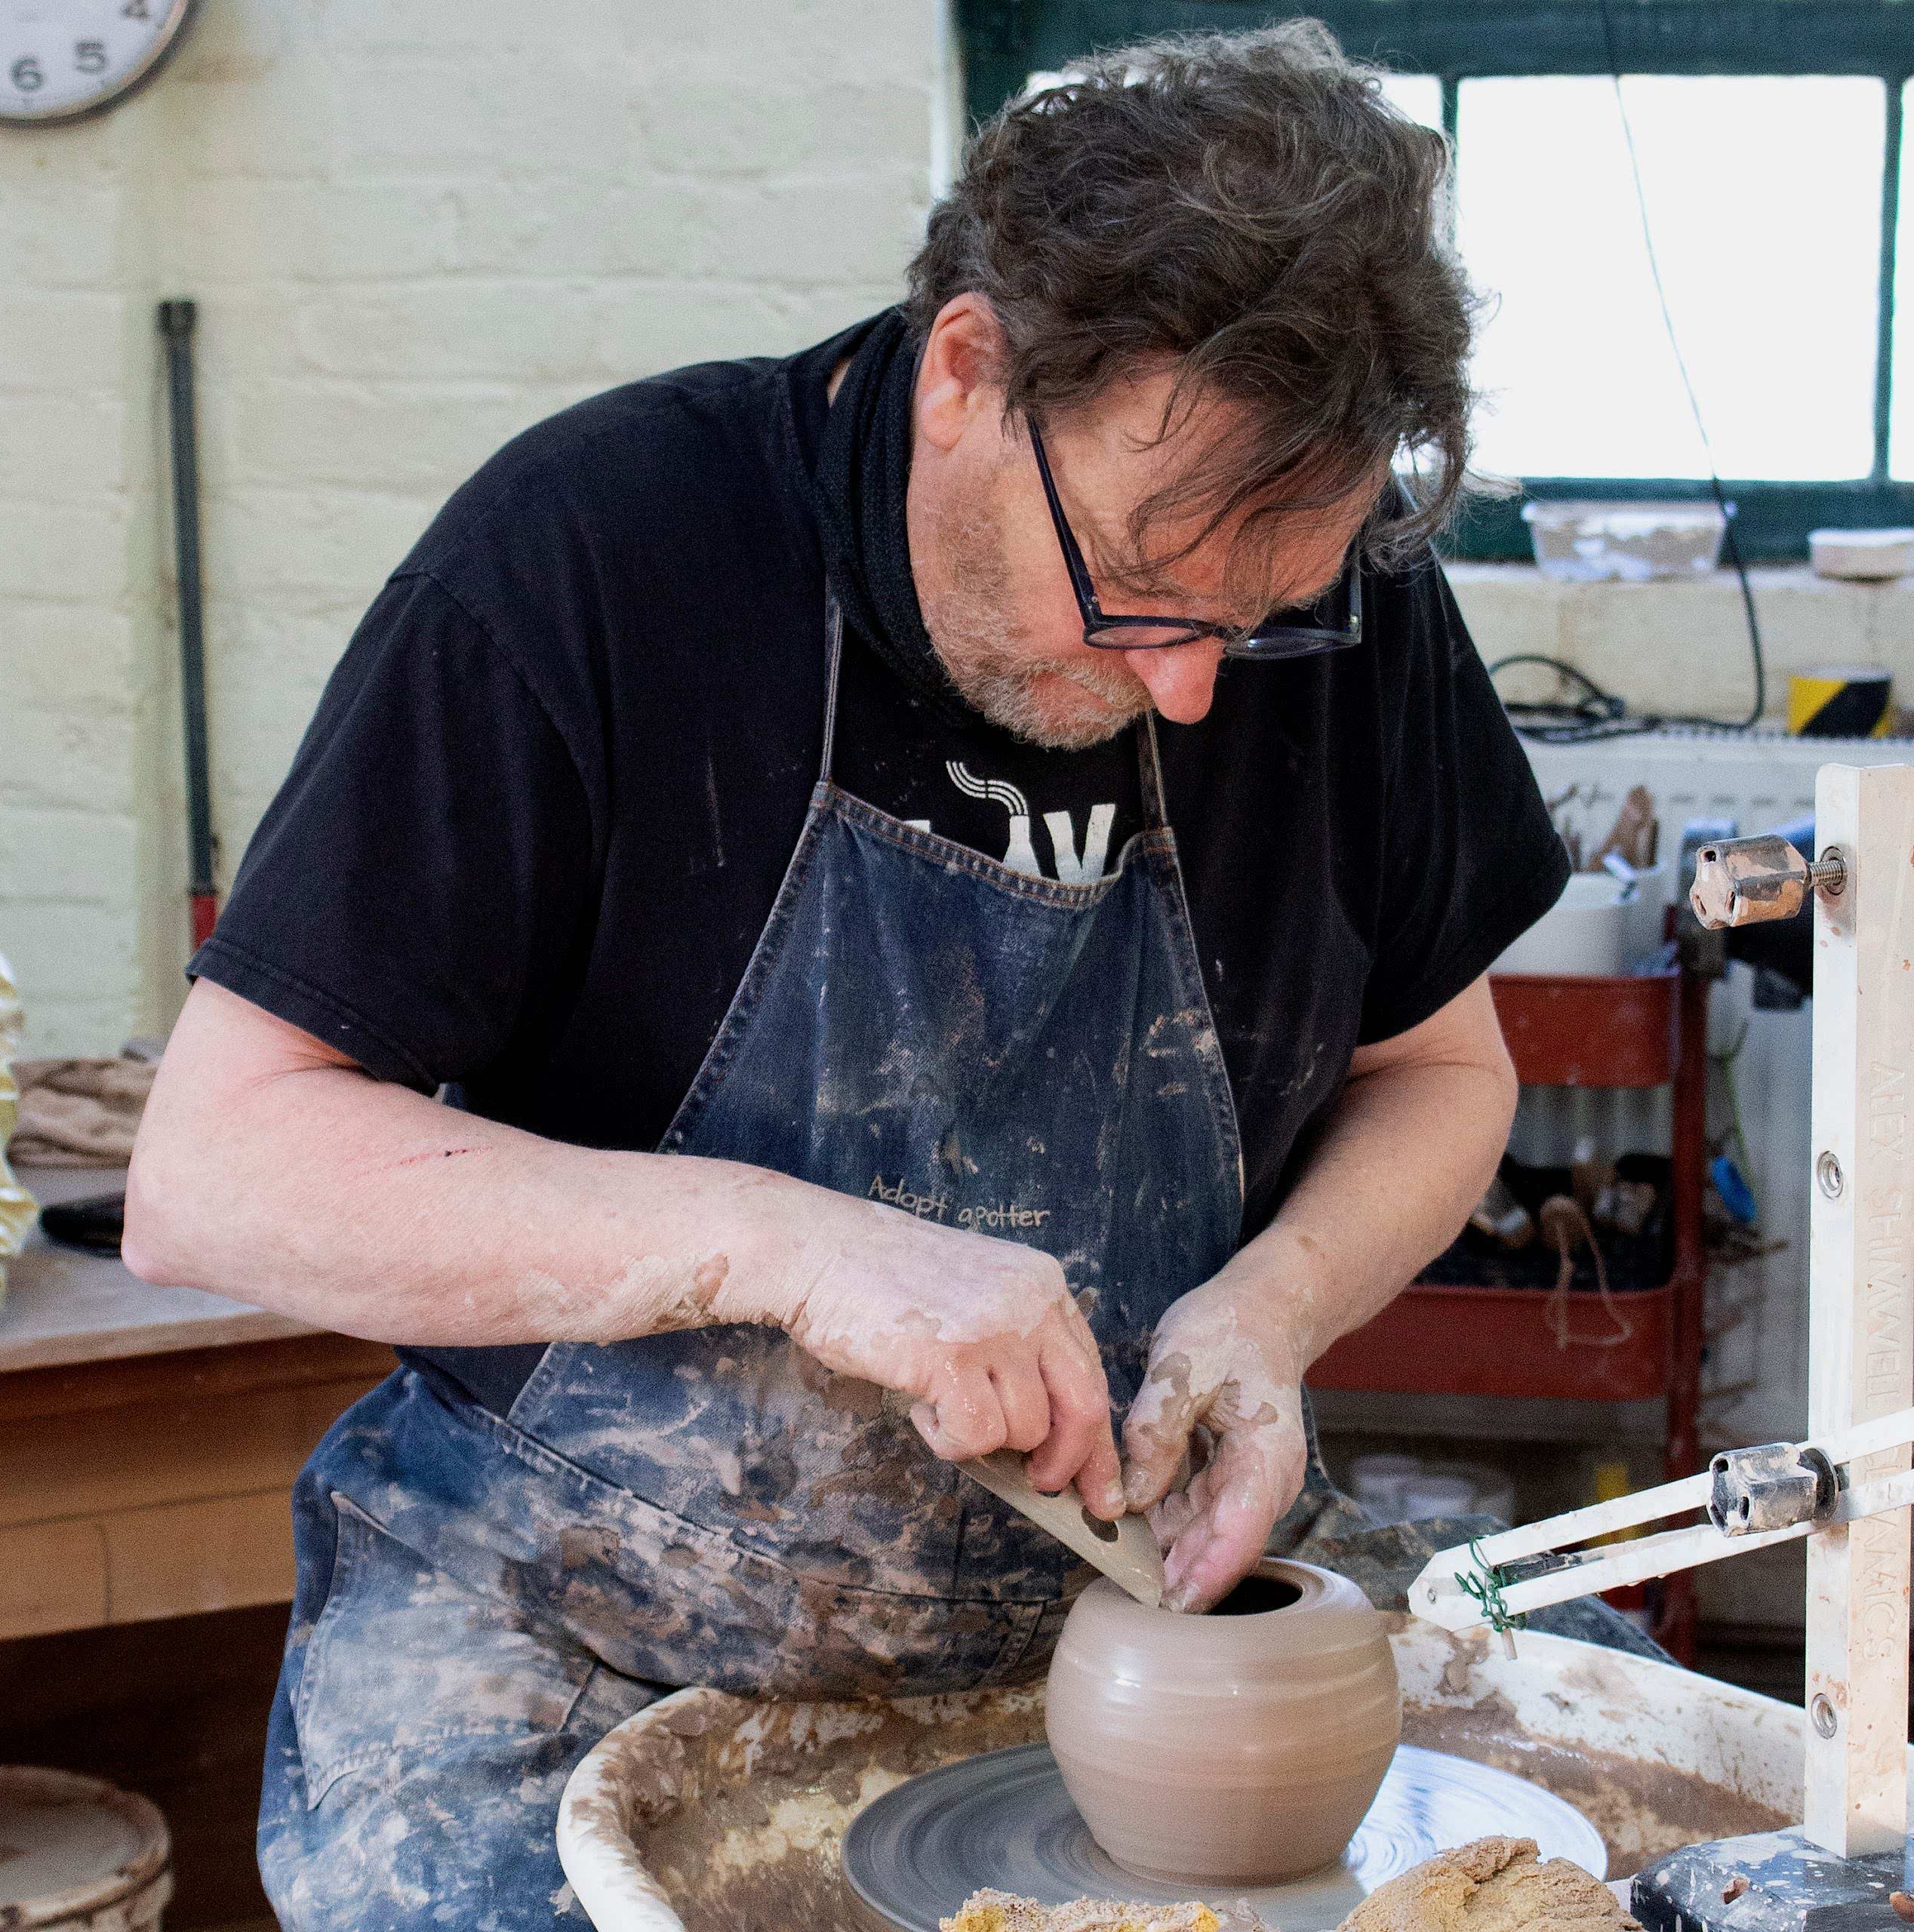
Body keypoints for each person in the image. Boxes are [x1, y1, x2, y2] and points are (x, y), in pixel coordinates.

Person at [125, 23, 1626, 1930]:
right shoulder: (597, 556)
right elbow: (214, 1170)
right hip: (582, 1632)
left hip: (1119, 1627)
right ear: (967, 372)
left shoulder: (1333, 613)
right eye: (1140, 589)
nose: (1188, 684)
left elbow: (1441, 1071)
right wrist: (798, 1245)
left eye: (1253, 624)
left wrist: (1268, 1308)